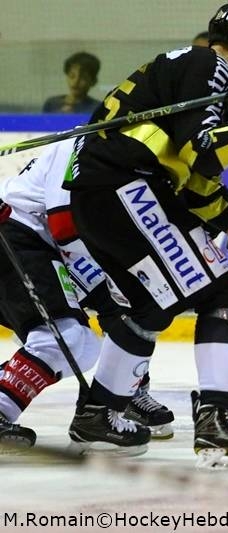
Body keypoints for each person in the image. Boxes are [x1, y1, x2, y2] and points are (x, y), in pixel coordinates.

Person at [62, 3, 228, 470]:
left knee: (149, 307)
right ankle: (219, 421)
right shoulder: (210, 64)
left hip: (99, 194)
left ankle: (97, 415)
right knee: (219, 294)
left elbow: (194, 184)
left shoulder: (184, 70)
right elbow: (205, 154)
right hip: (125, 185)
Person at [0, 140, 174, 451]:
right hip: (20, 233)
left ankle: (124, 392)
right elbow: (63, 223)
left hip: (46, 244)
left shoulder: (141, 152)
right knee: (64, 339)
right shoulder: (83, 144)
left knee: (93, 336)